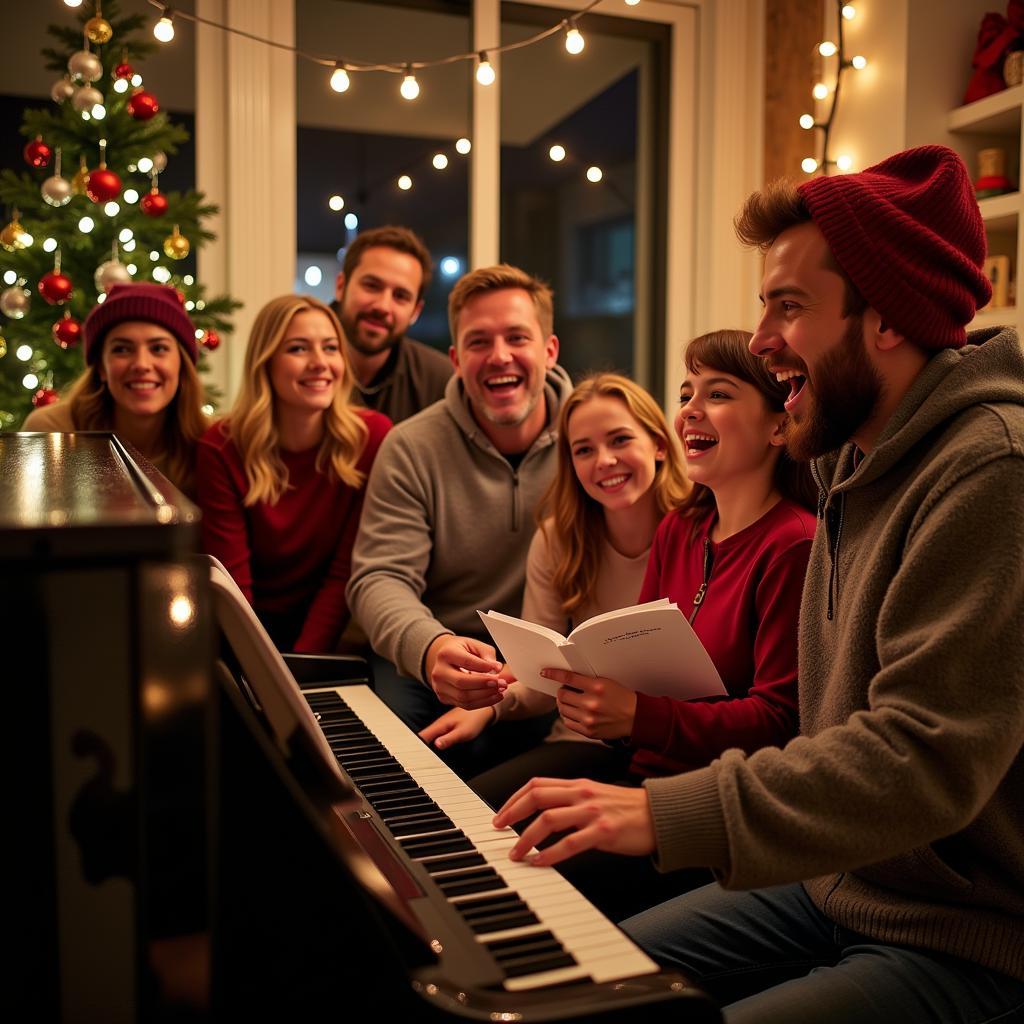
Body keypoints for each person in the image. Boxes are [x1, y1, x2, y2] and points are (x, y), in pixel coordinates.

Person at [493, 146, 1024, 1023]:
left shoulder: (989, 471)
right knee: (571, 987)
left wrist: (663, 812)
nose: (765, 338)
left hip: (960, 933)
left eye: (788, 305)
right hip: (834, 882)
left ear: (886, 318)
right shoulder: (855, 460)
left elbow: (920, 758)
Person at [419, 372, 691, 804]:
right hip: (584, 743)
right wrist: (490, 707)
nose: (603, 460)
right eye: (584, 449)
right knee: (471, 812)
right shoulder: (558, 539)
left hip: (678, 749)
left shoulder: (702, 528)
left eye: (620, 440)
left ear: (658, 444)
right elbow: (540, 673)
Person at [346, 264, 573, 760]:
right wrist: (430, 648)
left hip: (555, 663)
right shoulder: (411, 446)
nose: (499, 357)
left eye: (517, 337)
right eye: (478, 342)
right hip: (438, 655)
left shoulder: (593, 444)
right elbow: (379, 577)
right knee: (392, 763)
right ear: (455, 358)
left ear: (549, 350)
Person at [196, 294, 389, 654]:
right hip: (242, 629)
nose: (320, 363)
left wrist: (302, 664)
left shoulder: (372, 438)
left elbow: (343, 573)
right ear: (265, 362)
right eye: (299, 349)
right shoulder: (221, 447)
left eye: (330, 348)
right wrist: (262, 667)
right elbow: (233, 584)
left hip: (330, 634)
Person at [22, 282, 206, 495]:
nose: (142, 364)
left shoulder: (209, 445)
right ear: (100, 367)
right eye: (121, 349)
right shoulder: (53, 433)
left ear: (182, 364)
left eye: (158, 348)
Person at [332, 225, 452, 423]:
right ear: (340, 286)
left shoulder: (440, 382)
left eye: (401, 296)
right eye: (371, 286)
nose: (383, 306)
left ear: (415, 311)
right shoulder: (297, 367)